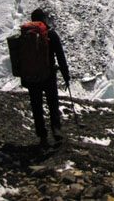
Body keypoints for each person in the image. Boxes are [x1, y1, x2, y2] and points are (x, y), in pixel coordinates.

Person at [22, 8, 70, 147]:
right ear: (44, 19)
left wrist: (24, 78)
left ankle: (42, 135)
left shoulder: (25, 36)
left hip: (32, 77)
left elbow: (20, 58)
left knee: (36, 105)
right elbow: (60, 56)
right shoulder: (50, 35)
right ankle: (56, 129)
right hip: (48, 75)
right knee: (52, 103)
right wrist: (66, 76)